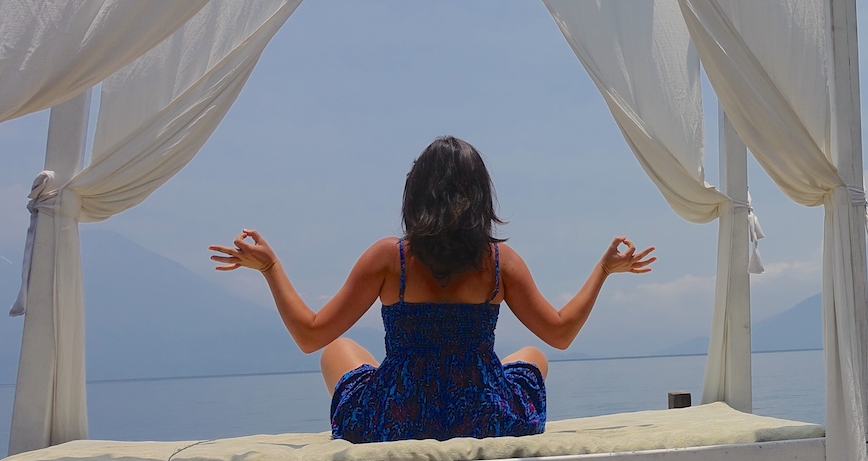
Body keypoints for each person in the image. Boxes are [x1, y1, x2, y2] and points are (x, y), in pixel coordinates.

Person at [208, 136, 655, 443]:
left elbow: (309, 335)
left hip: (400, 413)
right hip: (480, 412)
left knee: (336, 349)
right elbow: (560, 333)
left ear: (415, 194)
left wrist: (270, 268)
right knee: (533, 356)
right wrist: (603, 269)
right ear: (480, 196)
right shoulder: (498, 263)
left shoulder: (390, 258)